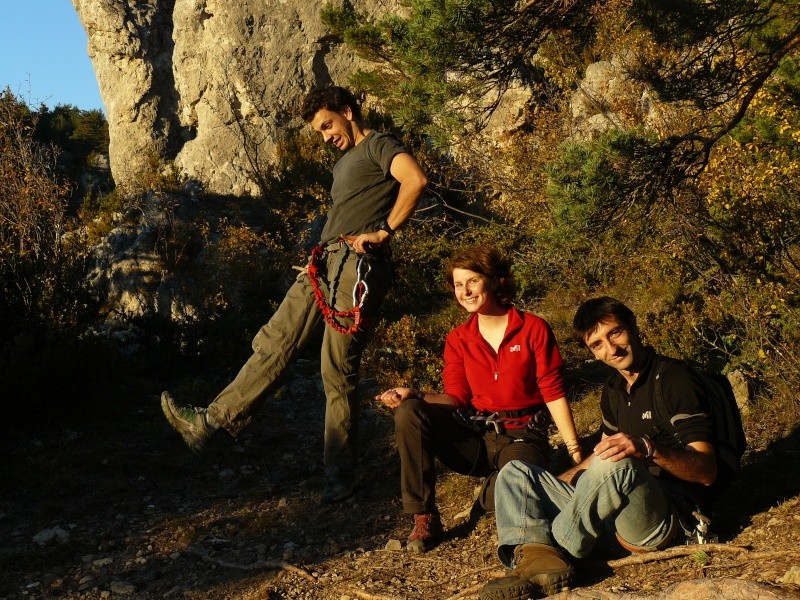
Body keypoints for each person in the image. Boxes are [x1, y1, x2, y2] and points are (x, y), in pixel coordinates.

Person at [161, 84, 428, 505]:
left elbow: (415, 179)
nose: (325, 136)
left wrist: (383, 231)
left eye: (328, 125)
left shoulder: (379, 145)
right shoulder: (344, 164)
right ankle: (210, 423)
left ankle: (340, 476)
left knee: (336, 369)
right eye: (319, 131)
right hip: (323, 263)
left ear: (347, 110)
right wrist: (316, 260)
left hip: (357, 266)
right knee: (275, 341)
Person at [479, 297, 719, 600]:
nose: (612, 349)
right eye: (598, 344)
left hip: (662, 517)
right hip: (610, 513)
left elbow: (707, 472)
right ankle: (534, 558)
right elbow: (600, 455)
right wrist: (558, 483)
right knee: (516, 472)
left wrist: (647, 448)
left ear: (633, 327)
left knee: (620, 462)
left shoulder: (674, 380)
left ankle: (552, 554)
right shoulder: (613, 390)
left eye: (615, 333)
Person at [375, 246, 582, 553]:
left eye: (472, 281)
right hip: (477, 436)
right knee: (409, 411)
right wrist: (415, 394)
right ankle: (424, 516)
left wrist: (575, 451)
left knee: (512, 483)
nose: (465, 291)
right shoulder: (458, 339)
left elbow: (552, 390)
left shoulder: (532, 328)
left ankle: (491, 493)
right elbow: (456, 397)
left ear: (495, 282)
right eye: (458, 284)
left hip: (523, 437)